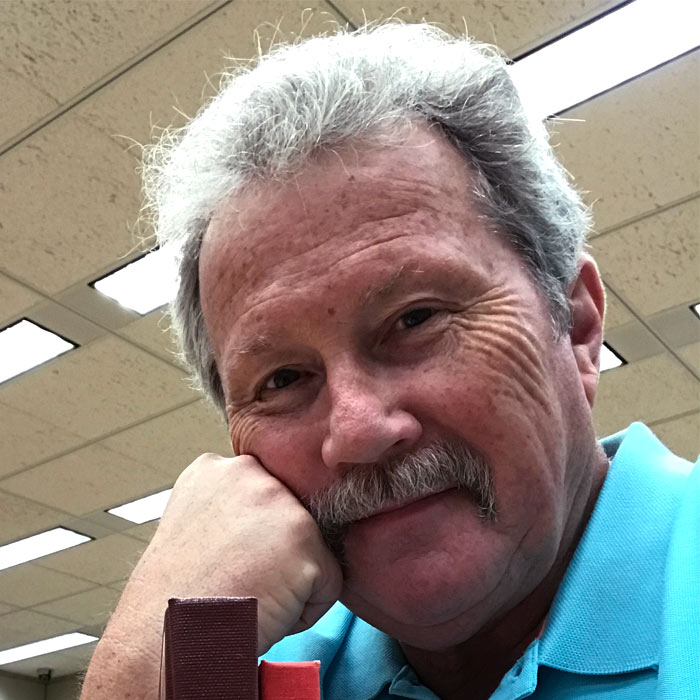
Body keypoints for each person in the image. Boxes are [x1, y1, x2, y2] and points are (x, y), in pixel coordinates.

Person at [81, 23, 699, 700]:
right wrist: (149, 664)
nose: (358, 429)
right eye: (284, 379)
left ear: (576, 327)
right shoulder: (237, 667)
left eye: (416, 319)